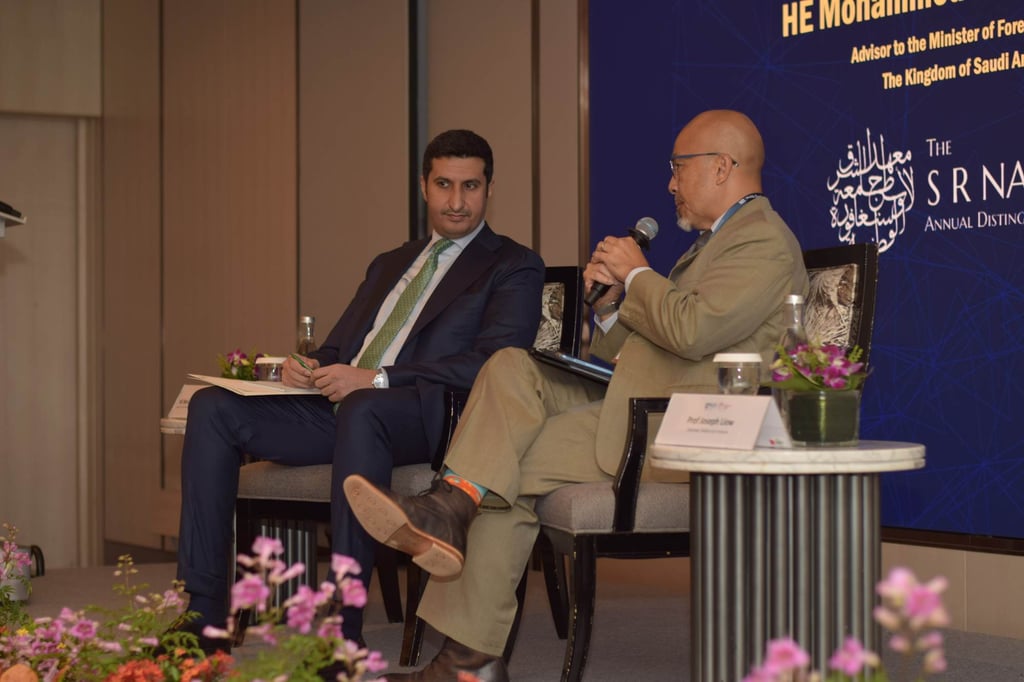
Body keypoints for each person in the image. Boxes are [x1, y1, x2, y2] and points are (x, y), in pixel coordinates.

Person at [344, 109, 810, 681]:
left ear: (720, 167)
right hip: (641, 395)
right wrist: (613, 304)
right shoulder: (717, 243)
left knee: (499, 468)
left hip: (685, 427)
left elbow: (693, 329)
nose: (670, 183)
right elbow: (636, 350)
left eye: (677, 168)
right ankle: (450, 509)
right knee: (511, 366)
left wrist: (638, 276)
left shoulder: (761, 240)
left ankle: (465, 653)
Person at [174, 129, 545, 652]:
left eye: (471, 186)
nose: (457, 201)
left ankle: (339, 628)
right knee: (211, 406)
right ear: (424, 186)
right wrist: (308, 366)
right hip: (346, 409)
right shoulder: (391, 262)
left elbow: (496, 362)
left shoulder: (512, 264)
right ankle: (203, 613)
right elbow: (340, 348)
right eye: (444, 184)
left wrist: (375, 379)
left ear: (489, 189)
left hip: (428, 416)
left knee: (365, 407)